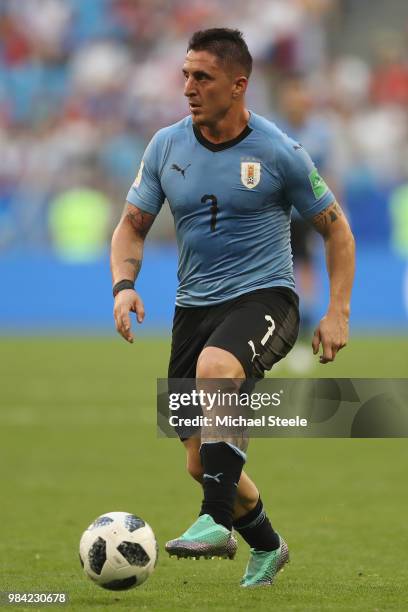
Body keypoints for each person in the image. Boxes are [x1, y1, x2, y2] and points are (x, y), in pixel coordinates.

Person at [110, 28, 355, 588]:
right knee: (204, 464)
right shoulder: (166, 146)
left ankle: (213, 522)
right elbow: (131, 225)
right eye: (185, 76)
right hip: (192, 309)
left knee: (217, 368)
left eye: (203, 77)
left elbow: (337, 232)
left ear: (238, 85)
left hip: (266, 297)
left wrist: (337, 311)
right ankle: (267, 547)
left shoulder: (278, 151)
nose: (189, 88)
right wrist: (123, 285)